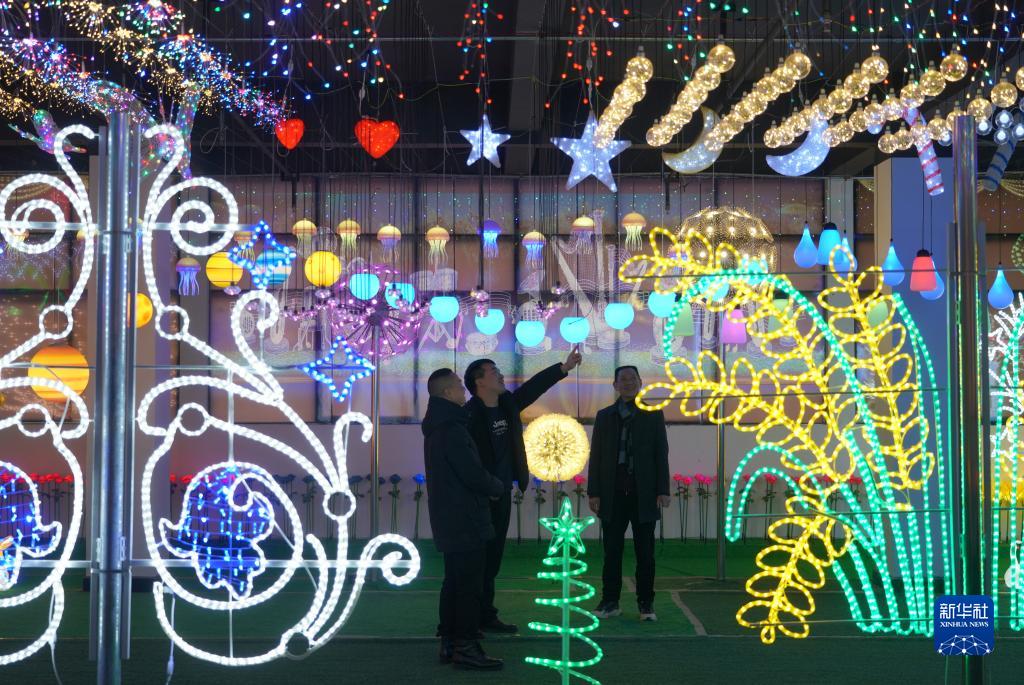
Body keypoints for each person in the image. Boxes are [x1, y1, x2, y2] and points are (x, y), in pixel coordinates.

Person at [463, 347, 583, 633]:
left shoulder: (506, 404)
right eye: (493, 371)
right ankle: (469, 618)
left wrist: (564, 368)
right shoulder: (469, 415)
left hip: (503, 492)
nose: (500, 374)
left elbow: (533, 388)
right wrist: (485, 486)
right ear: (479, 381)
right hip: (479, 497)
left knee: (493, 558)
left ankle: (485, 615)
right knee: (476, 559)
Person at [422, 368, 505, 670]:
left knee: (455, 582)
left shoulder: (439, 426)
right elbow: (471, 473)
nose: (463, 389)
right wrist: (496, 487)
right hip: (466, 517)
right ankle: (466, 646)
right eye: (458, 385)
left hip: (450, 517)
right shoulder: (452, 429)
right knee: (469, 586)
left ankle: (450, 641)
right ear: (447, 393)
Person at [587, 365, 670, 621]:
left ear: (640, 382)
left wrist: (663, 490)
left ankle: (646, 604)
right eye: (622, 379)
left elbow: (661, 454)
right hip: (612, 495)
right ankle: (610, 601)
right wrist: (594, 492)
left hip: (644, 495)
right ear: (615, 385)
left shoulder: (653, 414)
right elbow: (596, 456)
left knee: (645, 554)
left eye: (632, 379)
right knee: (612, 552)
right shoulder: (604, 416)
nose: (627, 383)